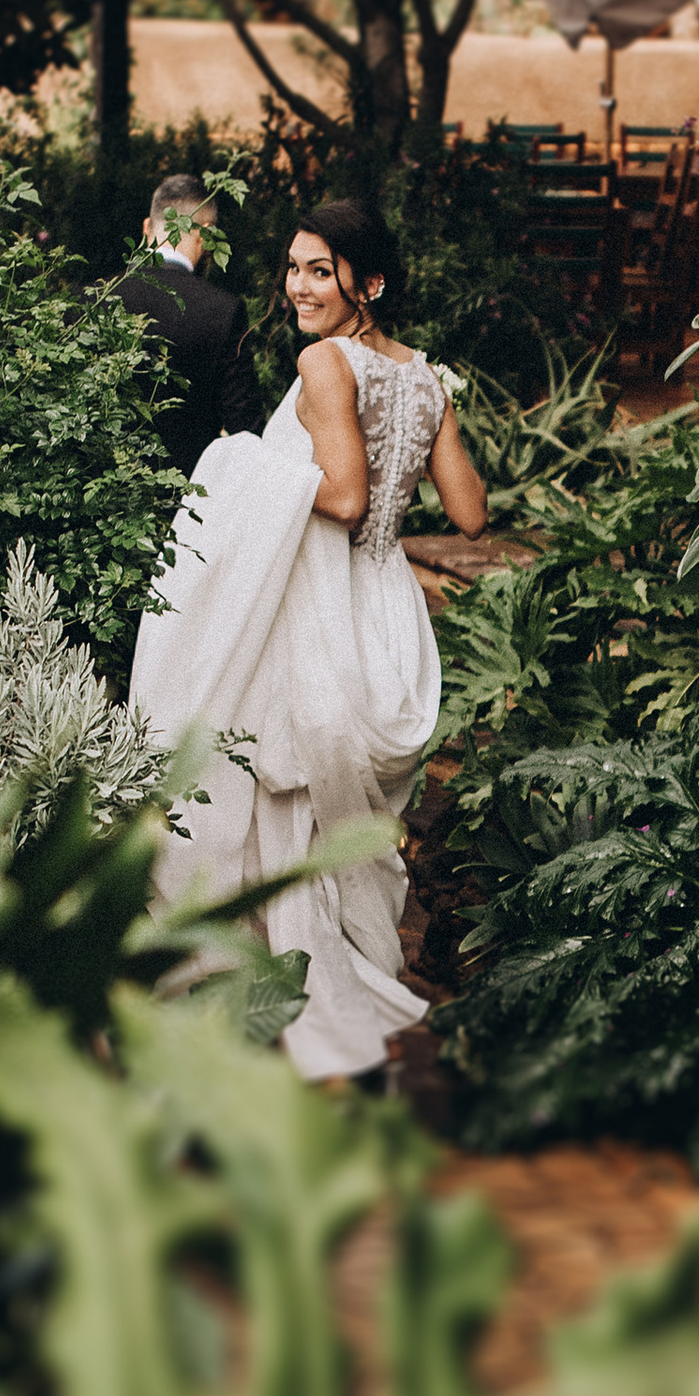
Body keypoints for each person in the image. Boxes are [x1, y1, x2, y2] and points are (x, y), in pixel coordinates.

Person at [129, 196, 488, 1082]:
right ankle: (326, 967)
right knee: (306, 800)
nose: (298, 285)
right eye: (292, 266)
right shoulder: (423, 378)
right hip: (386, 614)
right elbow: (472, 515)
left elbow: (345, 498)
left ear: (369, 283)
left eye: (319, 270)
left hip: (320, 603)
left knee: (276, 792)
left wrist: (235, 460)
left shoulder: (325, 362)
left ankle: (287, 982)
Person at [119, 171, 255, 461]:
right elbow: (244, 429)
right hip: (186, 495)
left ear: (147, 227)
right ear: (205, 233)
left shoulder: (91, 298)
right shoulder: (224, 311)